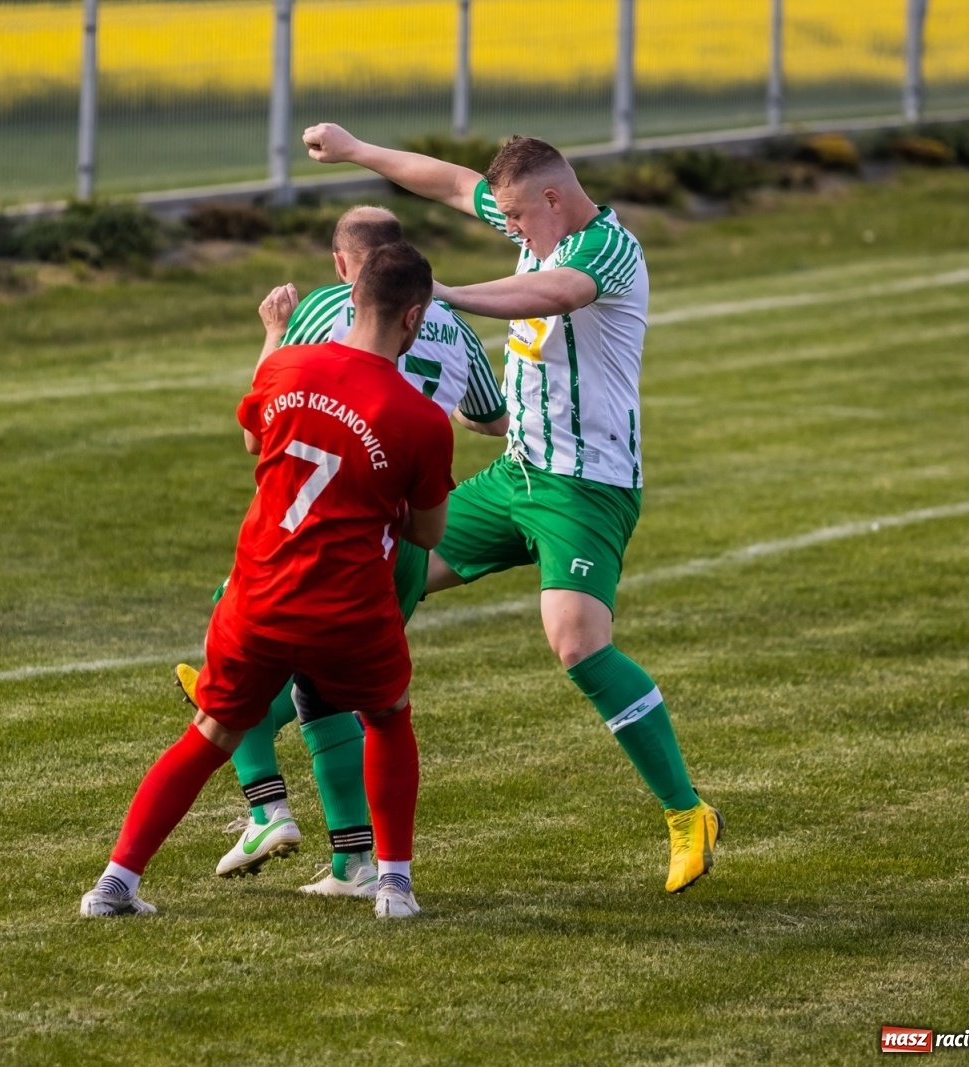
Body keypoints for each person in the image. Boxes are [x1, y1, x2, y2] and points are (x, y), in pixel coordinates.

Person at [298, 124, 722, 893]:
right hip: (515, 474)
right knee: (376, 575)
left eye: (520, 218)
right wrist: (359, 150)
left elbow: (555, 294)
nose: (512, 230)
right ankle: (314, 802)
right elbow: (452, 182)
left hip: (585, 485)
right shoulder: (534, 218)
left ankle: (688, 812)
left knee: (576, 643)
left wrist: (445, 295)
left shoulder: (607, 251)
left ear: (554, 199)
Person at [81, 243, 456, 920]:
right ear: (415, 316)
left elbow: (256, 440)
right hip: (349, 606)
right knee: (387, 716)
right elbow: (428, 533)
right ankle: (392, 883)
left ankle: (115, 883)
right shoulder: (420, 417)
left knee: (210, 732)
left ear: (353, 295)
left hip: (258, 594)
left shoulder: (286, 362)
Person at [173, 204, 507, 897]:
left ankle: (268, 808)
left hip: (313, 527)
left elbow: (258, 427)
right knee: (335, 691)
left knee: (237, 666)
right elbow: (492, 417)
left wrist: (270, 333)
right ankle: (360, 863)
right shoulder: (452, 327)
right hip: (404, 539)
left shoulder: (324, 307)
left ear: (343, 268)